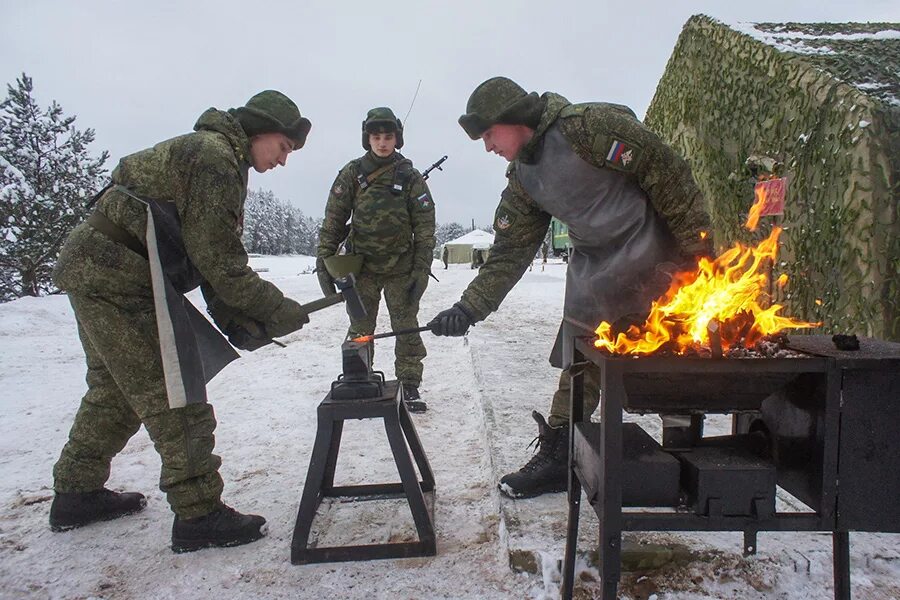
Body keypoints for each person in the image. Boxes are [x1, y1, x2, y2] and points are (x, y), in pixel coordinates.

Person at [50, 90, 313, 551]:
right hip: (118, 278)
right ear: (261, 130)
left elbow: (207, 256)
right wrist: (276, 309)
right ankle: (198, 513)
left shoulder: (218, 157)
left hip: (103, 271)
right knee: (174, 391)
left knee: (114, 391)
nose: (284, 161)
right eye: (285, 148)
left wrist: (238, 322)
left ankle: (77, 492)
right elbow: (220, 261)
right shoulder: (214, 158)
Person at [429, 77, 713, 498]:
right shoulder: (524, 180)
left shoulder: (589, 129)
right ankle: (561, 454)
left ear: (512, 119)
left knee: (675, 361)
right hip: (596, 276)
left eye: (489, 134)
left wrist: (699, 256)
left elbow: (667, 172)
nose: (488, 146)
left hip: (658, 262)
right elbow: (509, 253)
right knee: (580, 365)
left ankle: (687, 460)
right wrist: (468, 308)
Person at [317, 107, 436, 412]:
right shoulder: (352, 174)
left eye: (388, 136)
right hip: (362, 269)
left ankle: (409, 385)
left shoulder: (409, 176)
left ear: (398, 139)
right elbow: (333, 220)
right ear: (366, 138)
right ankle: (358, 379)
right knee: (360, 327)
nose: (382, 143)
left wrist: (422, 269)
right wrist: (324, 261)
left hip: (402, 268)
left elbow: (424, 226)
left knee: (406, 327)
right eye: (376, 136)